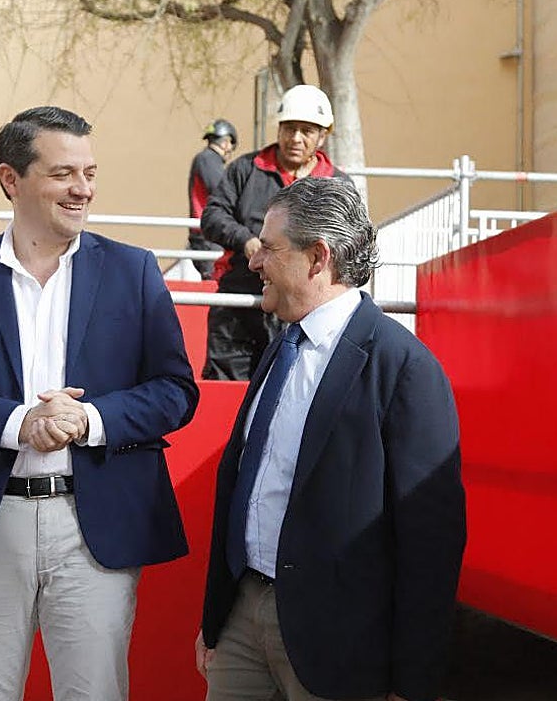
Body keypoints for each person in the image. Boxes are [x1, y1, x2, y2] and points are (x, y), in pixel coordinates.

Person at [0, 105, 199, 701]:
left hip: (95, 525)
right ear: (12, 179)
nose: (83, 189)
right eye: (64, 173)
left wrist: (87, 419)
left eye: (89, 173)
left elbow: (175, 391)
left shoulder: (134, 271)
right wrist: (20, 423)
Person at [197, 177, 466, 701]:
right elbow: (246, 489)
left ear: (317, 257)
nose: (254, 262)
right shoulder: (281, 348)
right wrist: (216, 622)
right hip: (241, 620)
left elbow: (431, 542)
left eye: (269, 248)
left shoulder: (403, 366)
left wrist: (411, 681)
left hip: (339, 644)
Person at [200, 84, 348, 381]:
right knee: (228, 398)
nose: (295, 138)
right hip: (239, 306)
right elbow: (212, 216)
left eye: (306, 131)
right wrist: (246, 241)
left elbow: (347, 245)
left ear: (323, 136)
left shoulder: (338, 185)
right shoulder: (245, 169)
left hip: (307, 313)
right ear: (279, 128)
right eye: (289, 128)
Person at [187, 118, 237, 279]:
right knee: (215, 282)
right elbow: (224, 191)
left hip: (206, 236)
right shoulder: (208, 159)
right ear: (226, 142)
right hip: (209, 237)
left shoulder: (206, 159)